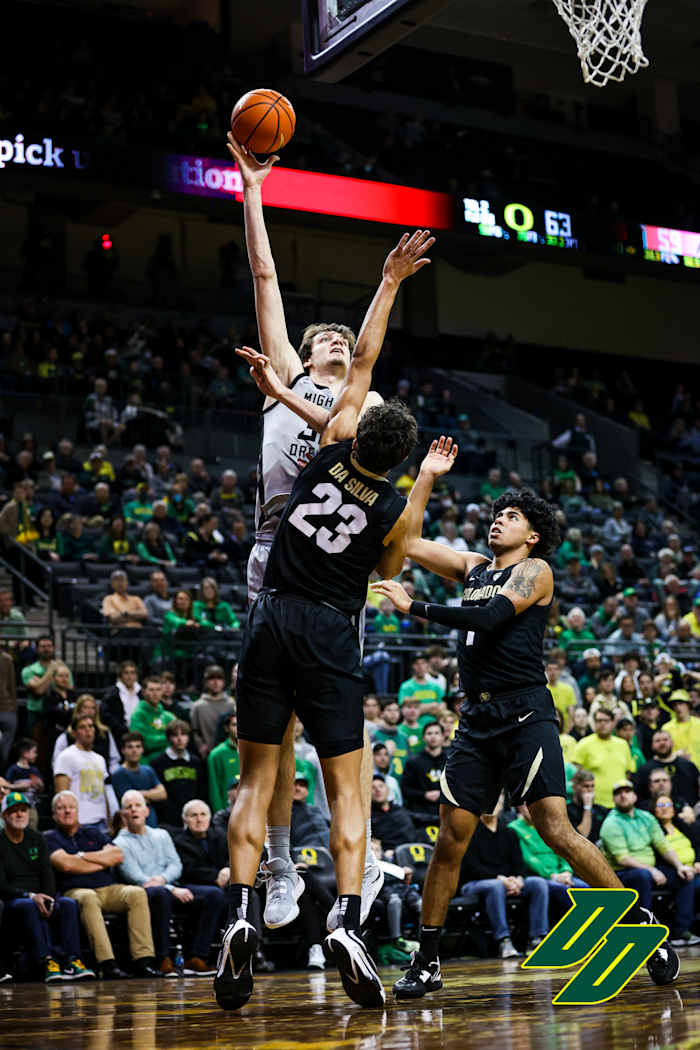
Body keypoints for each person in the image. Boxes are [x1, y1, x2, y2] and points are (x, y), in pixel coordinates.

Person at [370, 449, 680, 1000]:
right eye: (497, 514)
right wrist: (425, 479)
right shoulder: (472, 566)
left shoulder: (536, 571)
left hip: (525, 711)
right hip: (476, 718)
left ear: (533, 535)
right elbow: (410, 545)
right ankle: (428, 959)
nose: (498, 519)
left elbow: (490, 618)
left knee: (555, 830)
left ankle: (641, 931)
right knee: (449, 841)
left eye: (511, 516)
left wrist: (416, 609)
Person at [216, 221, 431, 1011]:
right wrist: (254, 189)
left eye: (347, 339)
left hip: (298, 579)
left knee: (274, 748)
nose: (341, 342)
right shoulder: (321, 402)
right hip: (294, 569)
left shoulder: (348, 417)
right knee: (312, 755)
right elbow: (266, 277)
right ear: (305, 357)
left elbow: (367, 366)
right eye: (327, 338)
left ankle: (269, 878)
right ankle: (301, 872)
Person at [46, 790, 159, 978]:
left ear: (77, 811)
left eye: (71, 807)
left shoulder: (93, 832)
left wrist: (81, 857)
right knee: (88, 898)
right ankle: (107, 963)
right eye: (61, 808)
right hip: (75, 890)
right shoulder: (49, 837)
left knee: (136, 893)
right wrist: (100, 861)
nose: (67, 811)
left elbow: (117, 856)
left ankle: (143, 960)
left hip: (108, 888)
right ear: (53, 814)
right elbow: (65, 864)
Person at [115, 791, 223, 975]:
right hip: (145, 892)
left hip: (172, 885)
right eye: (128, 807)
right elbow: (136, 877)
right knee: (160, 894)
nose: (134, 809)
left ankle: (197, 957)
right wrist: (170, 888)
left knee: (214, 895)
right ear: (123, 814)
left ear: (147, 811)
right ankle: (162, 958)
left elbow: (176, 865)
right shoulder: (119, 843)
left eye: (138, 805)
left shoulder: (161, 835)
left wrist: (165, 881)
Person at [0, 791, 94, 981]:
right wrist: (30, 895)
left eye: (23, 810)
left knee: (67, 904)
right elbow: (1, 885)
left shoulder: (37, 838)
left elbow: (47, 874)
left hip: (40, 895)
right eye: (14, 811)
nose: (19, 815)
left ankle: (72, 960)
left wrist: (47, 896)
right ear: (4, 816)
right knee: (29, 906)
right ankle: (46, 961)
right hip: (15, 899)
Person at [600, 781, 697, 946]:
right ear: (614, 799)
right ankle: (643, 931)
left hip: (647, 870)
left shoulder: (646, 817)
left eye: (627, 791)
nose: (623, 795)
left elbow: (663, 846)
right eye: (618, 793)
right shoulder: (611, 823)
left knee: (684, 876)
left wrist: (679, 866)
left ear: (635, 796)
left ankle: (681, 931)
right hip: (621, 874)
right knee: (642, 876)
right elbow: (622, 859)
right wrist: (652, 870)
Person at [459, 793, 549, 958]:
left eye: (496, 802)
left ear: (501, 806)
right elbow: (472, 867)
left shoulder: (509, 832)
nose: (492, 806)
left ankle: (537, 938)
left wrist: (519, 880)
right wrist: (501, 879)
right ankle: (504, 940)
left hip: (507, 882)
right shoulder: (469, 831)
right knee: (495, 886)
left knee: (538, 883)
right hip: (474, 883)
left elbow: (519, 864)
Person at [53, 712, 114, 831]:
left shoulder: (100, 759)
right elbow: (61, 795)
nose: (88, 730)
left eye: (91, 726)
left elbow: (103, 792)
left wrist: (108, 821)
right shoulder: (66, 756)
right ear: (74, 733)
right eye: (82, 727)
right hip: (80, 822)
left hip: (101, 822)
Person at [652, 793, 700, 946]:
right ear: (654, 810)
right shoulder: (655, 830)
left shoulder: (681, 825)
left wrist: (697, 862)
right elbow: (660, 853)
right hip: (669, 869)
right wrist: (683, 867)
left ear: (673, 810)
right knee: (687, 881)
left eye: (668, 805)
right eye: (660, 805)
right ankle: (681, 931)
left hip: (692, 868)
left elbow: (697, 844)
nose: (665, 809)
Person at [571, 709, 635, 808]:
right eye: (599, 721)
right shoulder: (584, 744)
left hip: (619, 804)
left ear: (613, 723)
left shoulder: (623, 744)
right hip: (594, 804)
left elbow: (628, 773)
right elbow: (575, 774)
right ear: (594, 723)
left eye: (606, 721)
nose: (602, 724)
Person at [150, 720, 207, 827]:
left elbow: (201, 790)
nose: (180, 739)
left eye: (184, 734)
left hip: (193, 816)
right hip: (168, 819)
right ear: (168, 738)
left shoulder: (196, 761)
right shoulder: (157, 763)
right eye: (175, 735)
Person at [111, 732, 167, 827]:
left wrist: (140, 793)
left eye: (138, 747)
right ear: (123, 750)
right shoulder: (119, 774)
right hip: (132, 825)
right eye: (130, 747)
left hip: (152, 823)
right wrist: (151, 794)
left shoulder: (148, 770)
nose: (134, 750)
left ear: (142, 750)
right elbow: (130, 801)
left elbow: (163, 794)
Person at [400, 723, 446, 827]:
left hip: (445, 812)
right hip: (420, 815)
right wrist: (424, 795)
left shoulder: (451, 762)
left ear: (443, 736)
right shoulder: (413, 762)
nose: (433, 736)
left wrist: (441, 794)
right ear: (424, 738)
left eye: (436, 733)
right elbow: (405, 790)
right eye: (429, 733)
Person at [129, 675, 175, 762]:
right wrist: (168, 738)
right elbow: (144, 743)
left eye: (158, 690)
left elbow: (176, 740)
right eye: (151, 690)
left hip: (168, 761)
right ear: (144, 692)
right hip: (147, 762)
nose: (155, 693)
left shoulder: (169, 716)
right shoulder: (138, 715)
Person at [101, 660, 142, 746]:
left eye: (132, 673)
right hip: (119, 736)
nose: (130, 676)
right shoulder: (112, 694)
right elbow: (107, 715)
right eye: (126, 673)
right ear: (120, 676)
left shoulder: (142, 693)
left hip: (140, 733)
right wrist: (123, 730)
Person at [207, 712, 240, 815]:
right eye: (234, 725)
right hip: (227, 811)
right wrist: (219, 813)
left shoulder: (253, 751)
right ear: (226, 728)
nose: (238, 728)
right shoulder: (216, 754)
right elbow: (214, 788)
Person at [370, 775, 415, 851]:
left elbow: (425, 818)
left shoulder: (400, 810)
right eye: (373, 787)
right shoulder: (368, 816)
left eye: (381, 786)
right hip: (388, 854)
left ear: (388, 791)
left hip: (413, 850)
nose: (377, 790)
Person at [566, 769, 609, 843]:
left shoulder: (600, 810)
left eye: (592, 786)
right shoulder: (567, 810)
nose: (590, 790)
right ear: (574, 787)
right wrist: (587, 807)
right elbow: (582, 837)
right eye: (586, 786)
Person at [665, 690, 700, 768]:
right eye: (675, 705)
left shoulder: (699, 724)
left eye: (681, 704)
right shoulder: (666, 728)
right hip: (678, 769)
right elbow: (663, 753)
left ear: (688, 705)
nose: (678, 707)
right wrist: (675, 755)